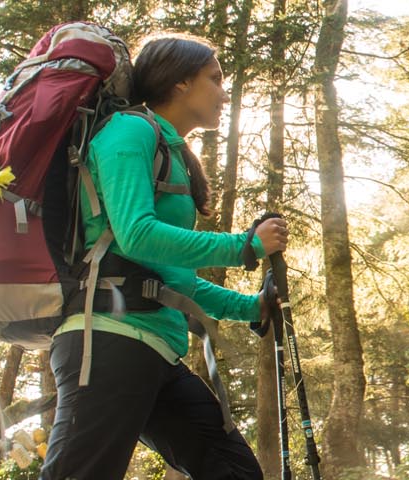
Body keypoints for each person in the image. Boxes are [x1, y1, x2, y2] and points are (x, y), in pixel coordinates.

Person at [41, 32, 286, 480]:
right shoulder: (129, 131)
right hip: (109, 340)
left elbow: (170, 276)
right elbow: (136, 236)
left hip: (154, 350)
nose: (224, 91)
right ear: (180, 82)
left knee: (235, 472)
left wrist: (249, 307)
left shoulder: (172, 151)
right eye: (214, 78)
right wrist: (243, 246)